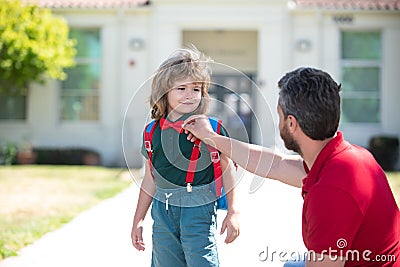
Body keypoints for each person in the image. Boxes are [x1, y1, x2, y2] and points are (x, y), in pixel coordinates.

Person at [183, 67, 399, 266]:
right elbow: (276, 164)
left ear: (291, 123)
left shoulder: (331, 191)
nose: (278, 122)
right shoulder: (348, 157)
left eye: (279, 115)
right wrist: (212, 138)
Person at [131, 46, 240, 267]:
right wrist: (139, 219)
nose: (189, 95)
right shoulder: (152, 132)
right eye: (181, 88)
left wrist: (233, 211)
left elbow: (227, 169)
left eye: (196, 89)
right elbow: (150, 178)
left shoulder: (212, 128)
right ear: (164, 93)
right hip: (163, 211)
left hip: (198, 207)